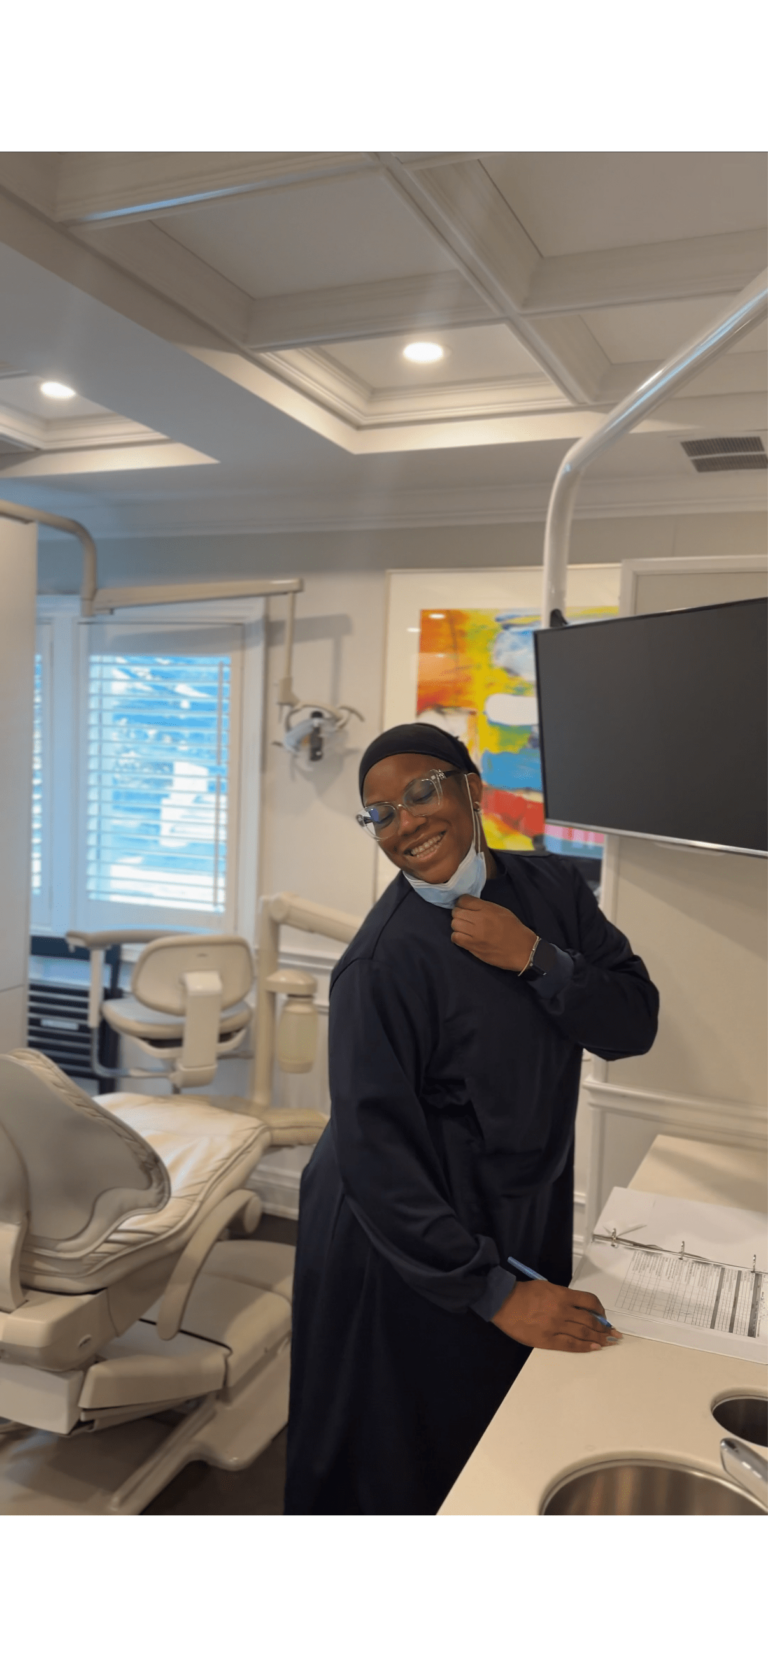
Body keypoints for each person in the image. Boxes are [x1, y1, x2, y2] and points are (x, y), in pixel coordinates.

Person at [284, 723, 659, 1515]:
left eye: (421, 792)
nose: (407, 822)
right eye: (380, 814)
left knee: (502, 1437)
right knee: (400, 1466)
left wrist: (538, 958)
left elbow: (632, 1025)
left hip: (518, 1207)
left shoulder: (552, 893)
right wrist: (491, 1289)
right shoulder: (379, 965)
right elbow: (375, 1156)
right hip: (400, 1238)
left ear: (473, 789)